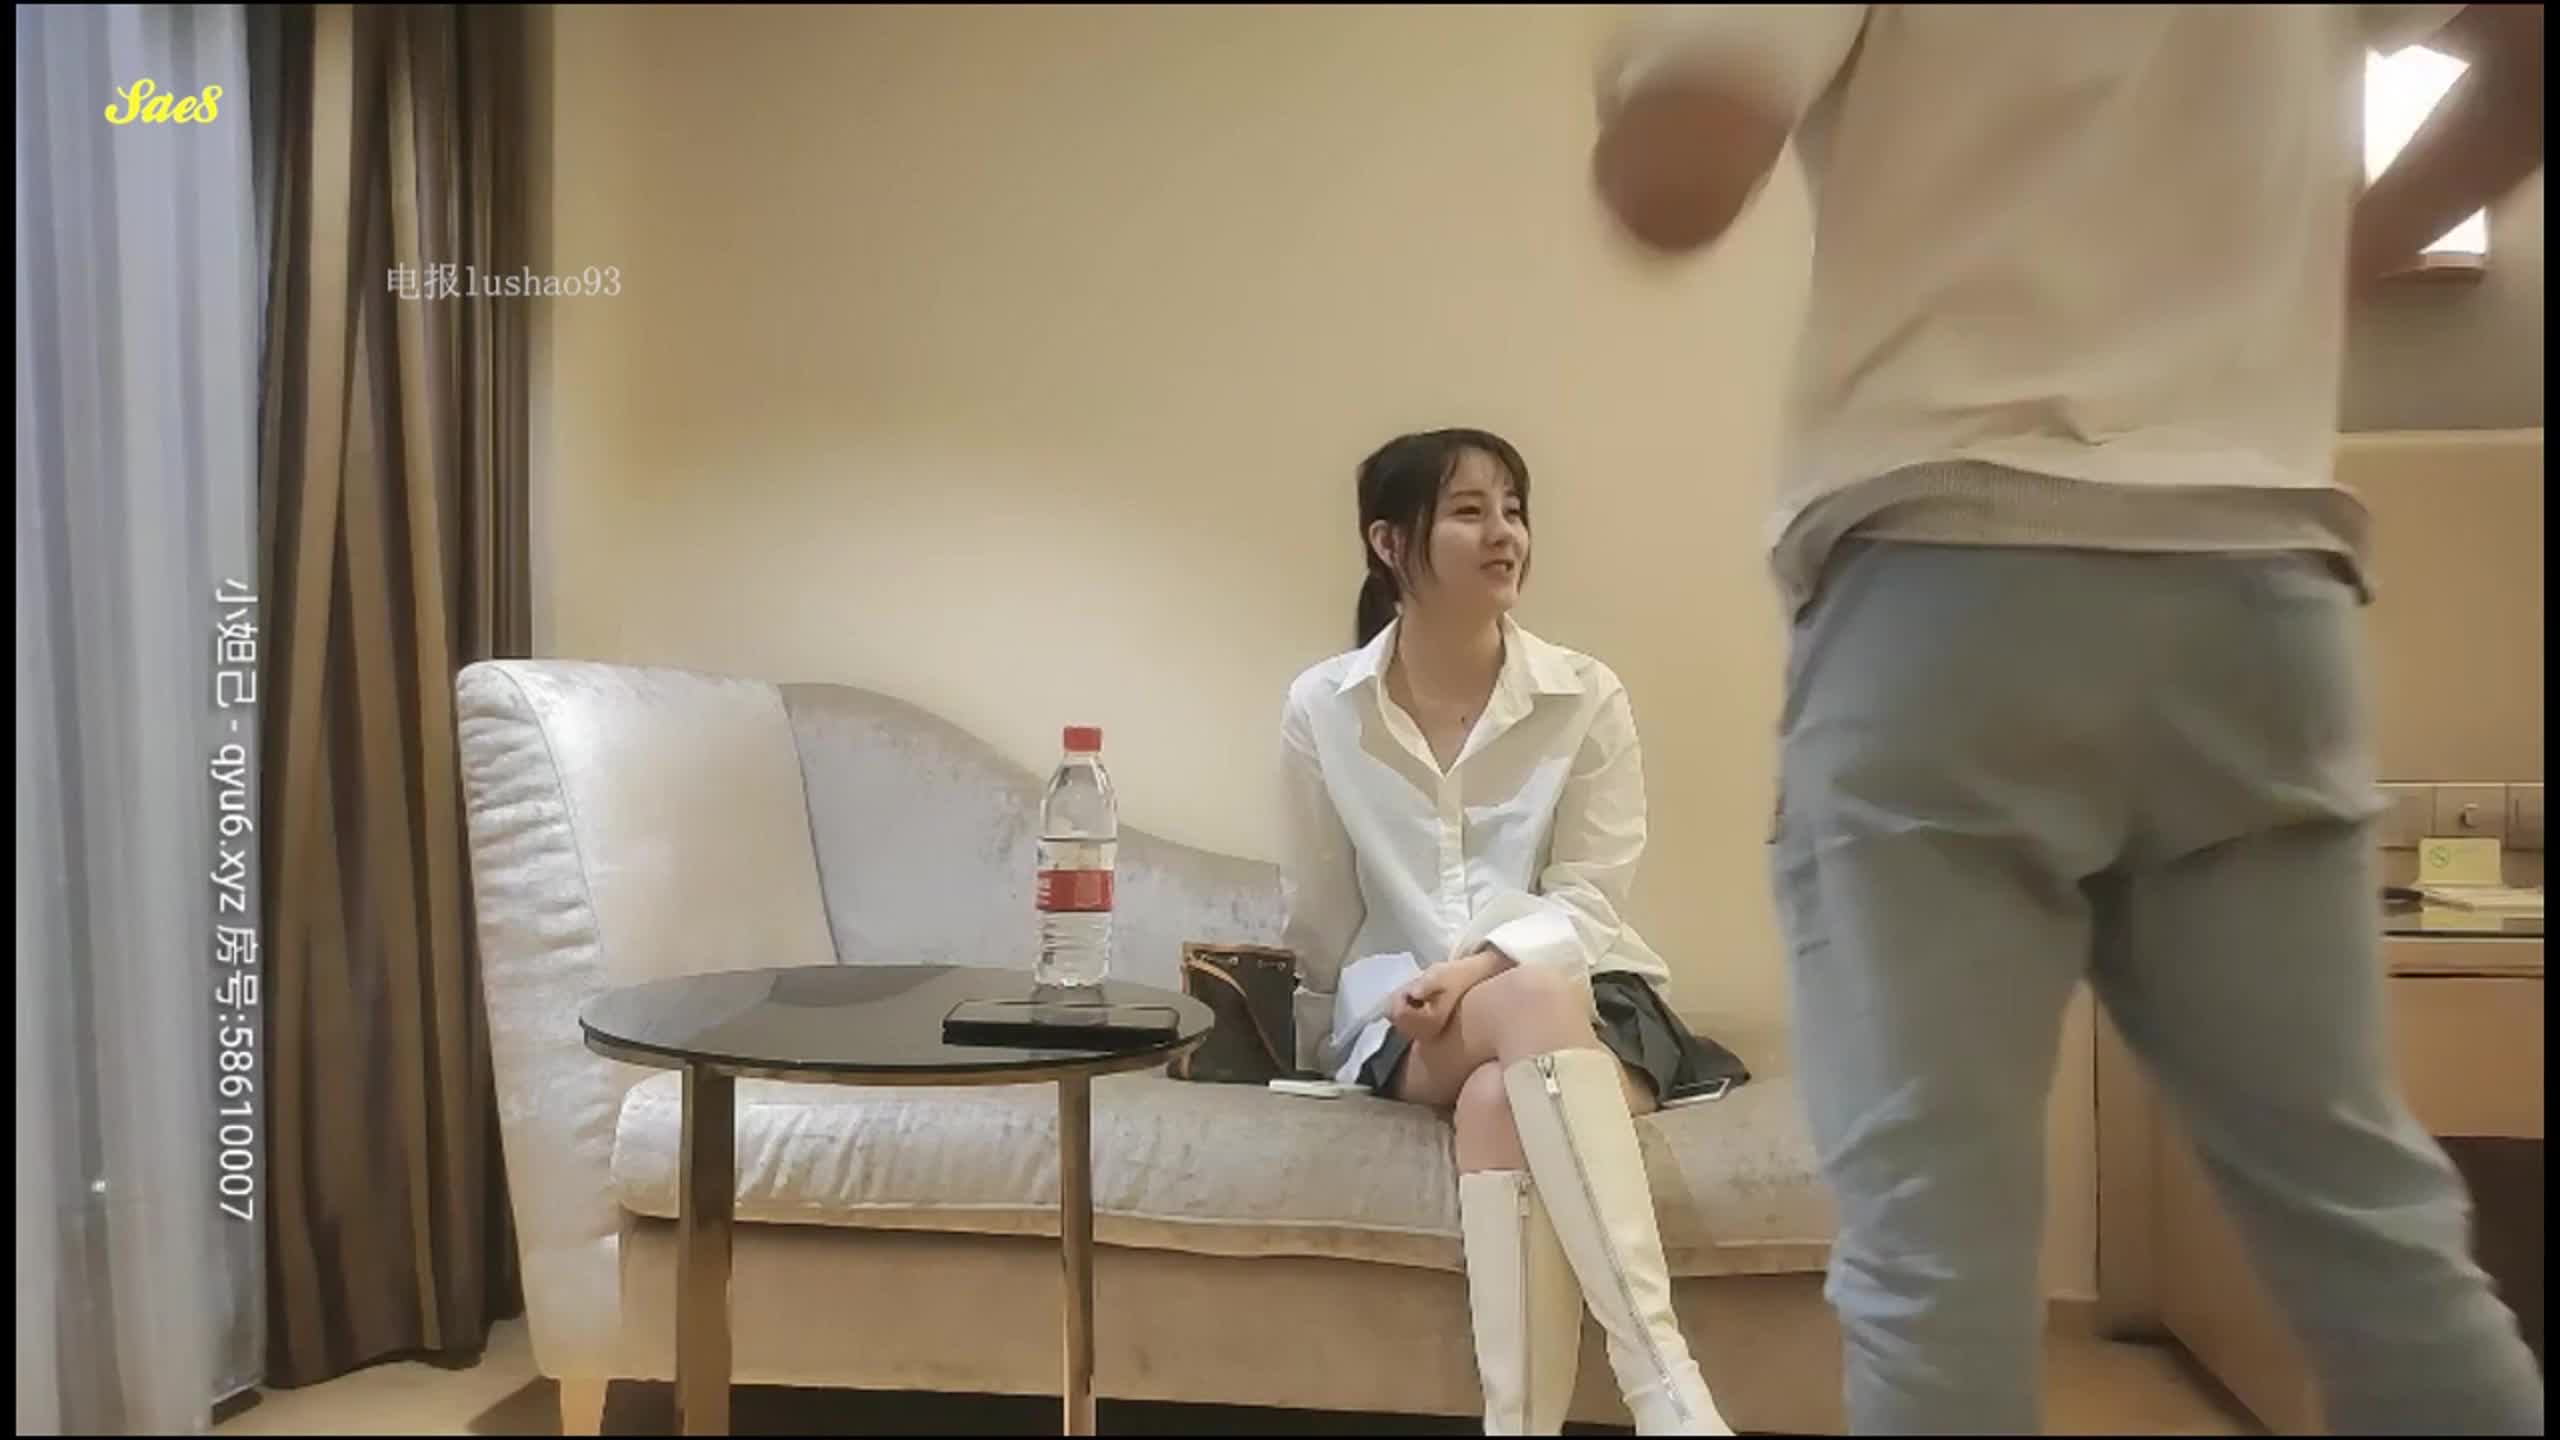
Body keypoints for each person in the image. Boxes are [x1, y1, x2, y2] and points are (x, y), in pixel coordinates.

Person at [1587, 5, 2545, 1434]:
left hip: (1952, 589)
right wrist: (2331, 256)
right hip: (2257, 589)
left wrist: (1635, 73)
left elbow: (1677, 177)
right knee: (2368, 1230)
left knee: (1934, 1262)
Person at [1278, 428, 1749, 1435]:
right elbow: (1320, 910)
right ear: (1389, 543)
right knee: (1521, 1004)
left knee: (1503, 1084)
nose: (1504, 534)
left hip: (1583, 991)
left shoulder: (1585, 694)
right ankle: (1665, 1388)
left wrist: (1476, 971)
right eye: (1468, 511)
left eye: (1514, 509)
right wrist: (1353, 1020)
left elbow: (1589, 896)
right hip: (1411, 1018)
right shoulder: (1323, 707)